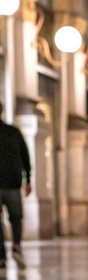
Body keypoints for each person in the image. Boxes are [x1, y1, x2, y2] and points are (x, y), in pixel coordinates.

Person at [0, 102, 32, 271]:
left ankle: (1, 257)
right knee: (16, 218)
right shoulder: (14, 132)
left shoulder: (14, 132)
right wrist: (28, 180)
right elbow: (25, 156)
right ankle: (16, 247)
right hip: (13, 183)